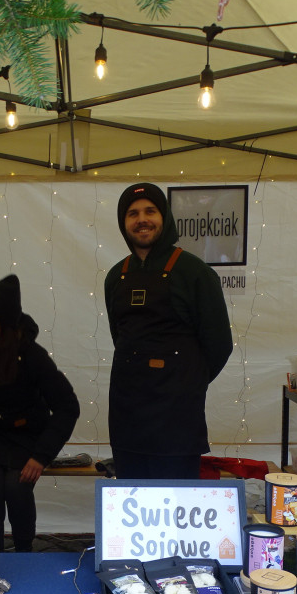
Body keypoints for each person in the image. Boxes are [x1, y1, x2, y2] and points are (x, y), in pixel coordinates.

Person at [104, 182, 233, 480]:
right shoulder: (116, 276)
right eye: (132, 214)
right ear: (124, 223)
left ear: (165, 217)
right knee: (131, 500)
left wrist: (186, 382)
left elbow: (219, 345)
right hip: (127, 417)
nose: (142, 219)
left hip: (177, 418)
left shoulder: (195, 272)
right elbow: (118, 336)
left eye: (150, 211)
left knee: (176, 508)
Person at [0, 275, 79, 552]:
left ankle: (24, 552)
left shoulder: (32, 355)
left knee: (17, 486)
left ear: (6, 325)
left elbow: (68, 406)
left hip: (27, 438)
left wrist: (41, 456)